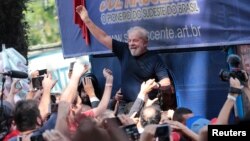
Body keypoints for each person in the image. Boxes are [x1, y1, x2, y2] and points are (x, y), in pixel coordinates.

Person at [76, 6, 171, 109]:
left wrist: (156, 85)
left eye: (135, 40)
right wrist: (86, 20)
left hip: (148, 105)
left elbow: (166, 82)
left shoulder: (154, 58)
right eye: (129, 40)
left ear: (145, 43)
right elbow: (103, 37)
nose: (131, 44)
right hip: (125, 105)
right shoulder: (124, 50)